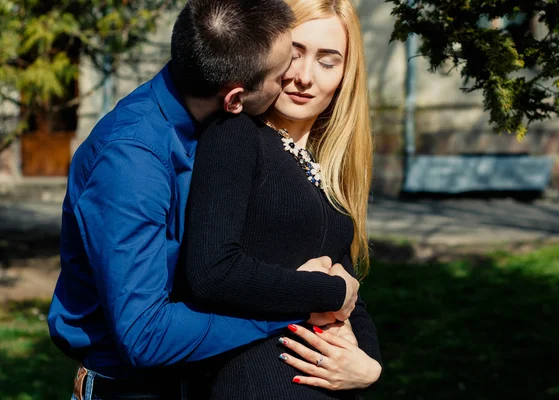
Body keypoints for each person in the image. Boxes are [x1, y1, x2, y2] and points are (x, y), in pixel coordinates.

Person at [47, 1, 360, 399]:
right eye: (283, 72)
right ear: (234, 99)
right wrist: (300, 303)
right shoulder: (130, 164)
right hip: (130, 390)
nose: (295, 78)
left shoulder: (208, 116)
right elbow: (145, 335)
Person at [180, 0, 382, 398]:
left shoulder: (323, 165)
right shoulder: (237, 134)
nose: (305, 77)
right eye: (294, 55)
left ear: (346, 75)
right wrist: (328, 294)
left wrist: (369, 366)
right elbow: (210, 271)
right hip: (255, 382)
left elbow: (351, 293)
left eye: (328, 61)